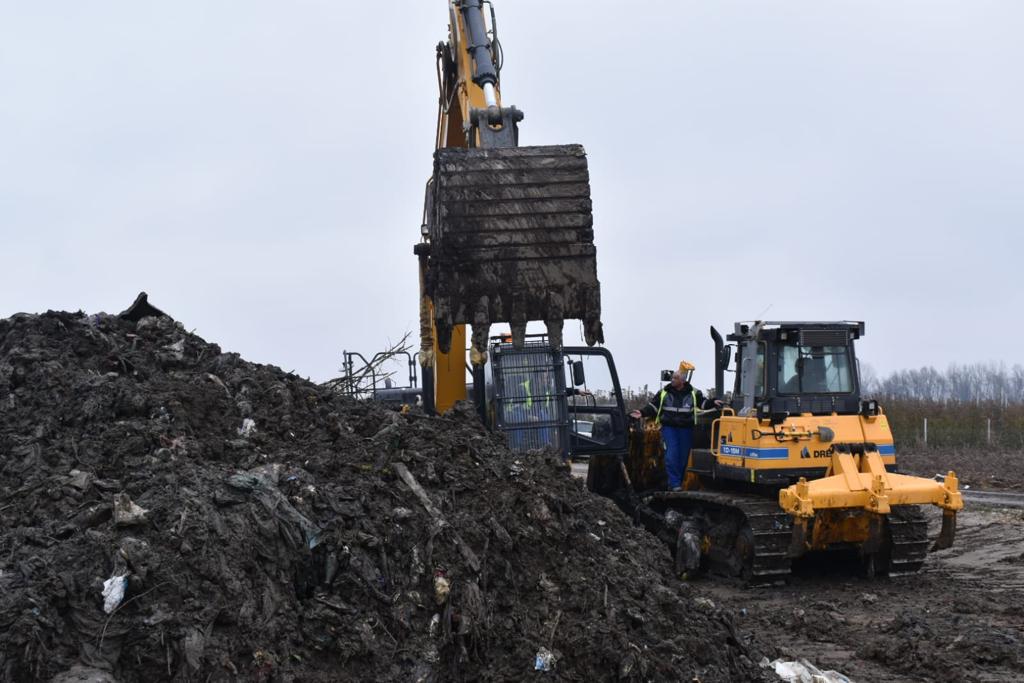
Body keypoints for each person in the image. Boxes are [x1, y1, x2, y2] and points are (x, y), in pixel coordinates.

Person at [630, 364, 720, 491]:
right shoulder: (664, 393)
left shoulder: (694, 393)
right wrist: (642, 412)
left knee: (683, 458)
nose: (672, 380)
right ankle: (674, 484)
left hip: (686, 429)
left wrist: (713, 402)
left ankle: (677, 482)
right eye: (672, 378)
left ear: (683, 380)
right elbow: (653, 406)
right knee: (672, 455)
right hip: (669, 428)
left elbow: (703, 403)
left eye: (676, 378)